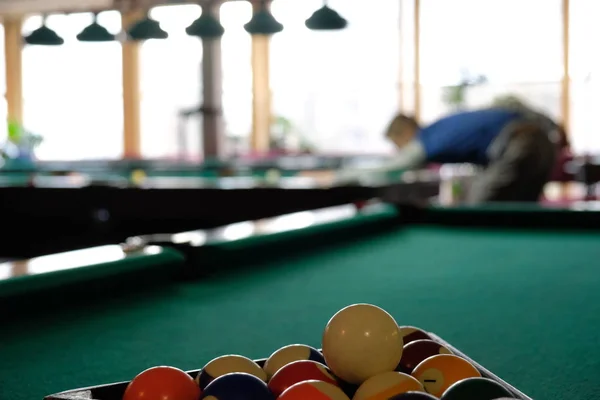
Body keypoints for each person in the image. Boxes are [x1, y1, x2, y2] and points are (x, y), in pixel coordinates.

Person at [339, 101, 566, 204]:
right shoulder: (441, 128)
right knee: (519, 208)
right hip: (541, 143)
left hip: (521, 143)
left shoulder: (426, 138)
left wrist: (342, 175)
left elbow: (397, 166)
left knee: (480, 207)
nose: (400, 151)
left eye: (398, 145)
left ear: (404, 133)